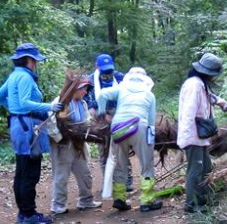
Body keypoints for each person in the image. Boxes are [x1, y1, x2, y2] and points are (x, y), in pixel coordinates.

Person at [0, 42, 63, 224]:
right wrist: (50, 106)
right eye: (35, 60)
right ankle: (29, 213)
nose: (36, 63)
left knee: (22, 170)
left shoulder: (14, 76)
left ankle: (23, 213)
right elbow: (24, 102)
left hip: (18, 124)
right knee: (30, 172)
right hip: (27, 127)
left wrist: (13, 110)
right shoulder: (25, 77)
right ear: (29, 60)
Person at [97, 67, 163, 212]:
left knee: (120, 164)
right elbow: (151, 121)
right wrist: (150, 139)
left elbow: (102, 95)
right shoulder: (149, 94)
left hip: (118, 127)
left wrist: (101, 113)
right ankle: (147, 200)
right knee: (147, 164)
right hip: (140, 126)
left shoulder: (121, 89)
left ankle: (119, 198)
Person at [177, 53, 227, 214]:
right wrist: (186, 139)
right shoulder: (194, 85)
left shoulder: (200, 84)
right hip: (192, 136)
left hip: (199, 137)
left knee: (206, 168)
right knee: (195, 170)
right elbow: (188, 112)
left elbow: (209, 97)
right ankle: (192, 204)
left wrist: (221, 102)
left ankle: (204, 200)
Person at [49, 78, 101, 215]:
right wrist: (60, 139)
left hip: (78, 142)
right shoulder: (62, 102)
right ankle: (58, 204)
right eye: (83, 88)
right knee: (61, 174)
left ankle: (86, 200)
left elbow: (85, 121)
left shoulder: (82, 103)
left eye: (86, 89)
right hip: (64, 144)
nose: (85, 91)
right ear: (74, 89)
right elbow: (51, 122)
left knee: (84, 172)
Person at [85, 53, 129, 194]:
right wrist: (94, 110)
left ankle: (126, 180)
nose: (108, 73)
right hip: (99, 116)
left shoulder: (120, 77)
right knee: (103, 150)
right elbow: (85, 98)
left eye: (109, 70)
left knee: (122, 147)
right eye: (104, 70)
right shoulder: (90, 80)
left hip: (119, 113)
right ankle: (108, 181)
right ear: (96, 66)